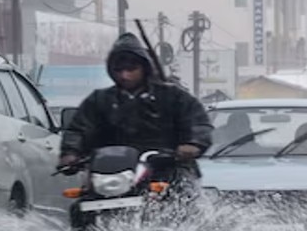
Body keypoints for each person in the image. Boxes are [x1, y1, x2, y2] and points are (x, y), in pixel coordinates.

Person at [60, 33, 213, 182]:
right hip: (111, 174)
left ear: (144, 68)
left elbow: (197, 122)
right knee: (82, 203)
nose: (124, 75)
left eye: (131, 69)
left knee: (182, 192)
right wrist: (71, 153)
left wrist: (193, 144)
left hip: (168, 169)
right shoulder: (99, 100)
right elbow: (79, 129)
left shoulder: (173, 96)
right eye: (118, 70)